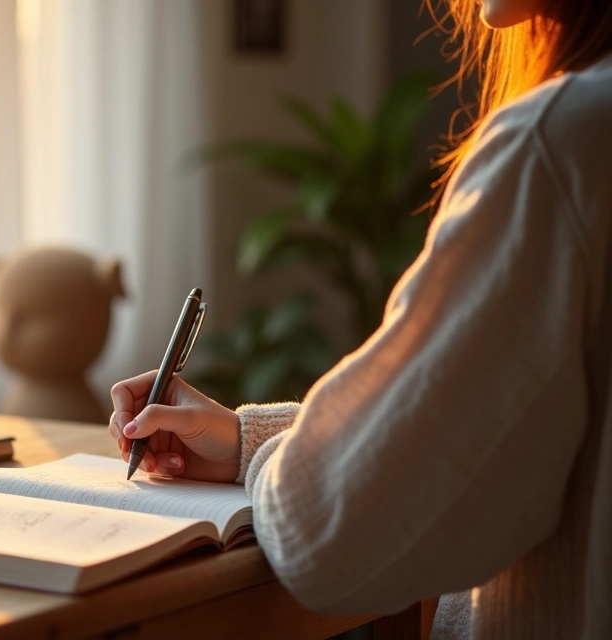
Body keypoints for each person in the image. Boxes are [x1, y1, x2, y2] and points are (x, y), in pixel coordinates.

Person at [108, 0, 612, 637]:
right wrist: (244, 443)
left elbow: (330, 533)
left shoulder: (564, 144)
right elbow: (482, 436)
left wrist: (269, 460)